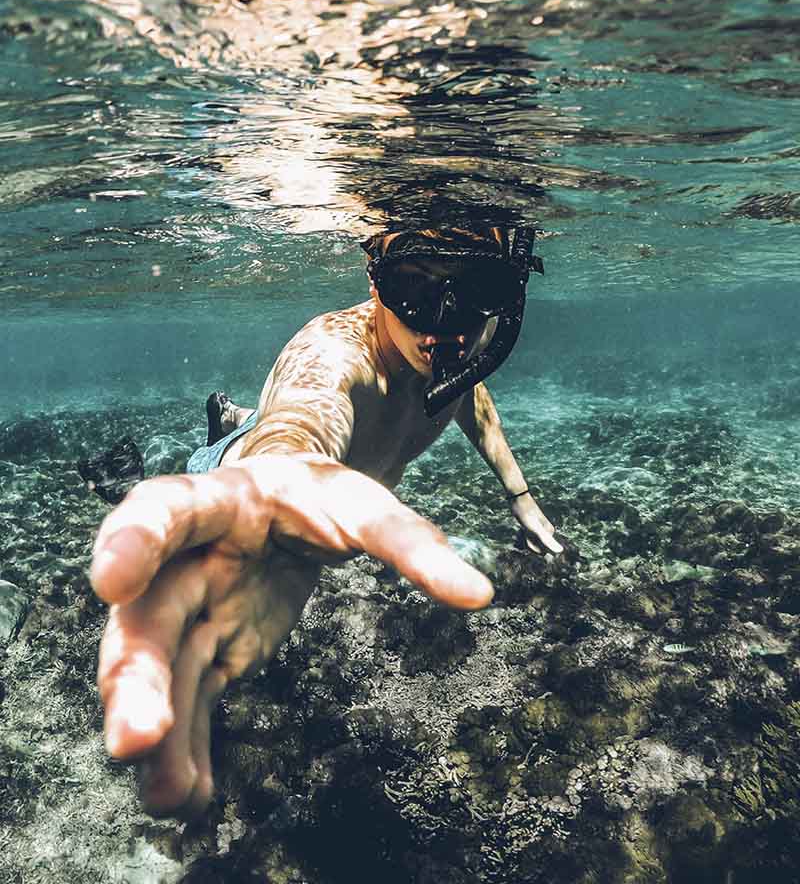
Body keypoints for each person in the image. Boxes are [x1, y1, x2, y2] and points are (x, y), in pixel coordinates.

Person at [90, 225, 563, 820]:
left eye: (480, 288)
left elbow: (467, 394)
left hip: (321, 470)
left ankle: (237, 417)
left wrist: (520, 497)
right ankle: (194, 447)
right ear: (375, 280)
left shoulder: (451, 355)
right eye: (413, 286)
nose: (445, 322)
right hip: (242, 475)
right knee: (178, 484)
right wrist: (278, 468)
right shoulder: (334, 351)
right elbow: (304, 415)